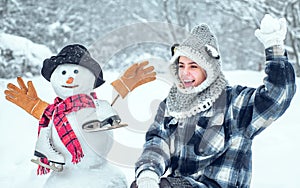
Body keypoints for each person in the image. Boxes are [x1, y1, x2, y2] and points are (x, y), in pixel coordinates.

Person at [130, 14, 296, 188]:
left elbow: (277, 95)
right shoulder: (171, 105)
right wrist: (148, 172)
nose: (185, 73)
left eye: (193, 66)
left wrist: (274, 49)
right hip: (175, 184)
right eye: (181, 65)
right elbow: (157, 143)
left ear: (208, 69)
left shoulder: (234, 103)